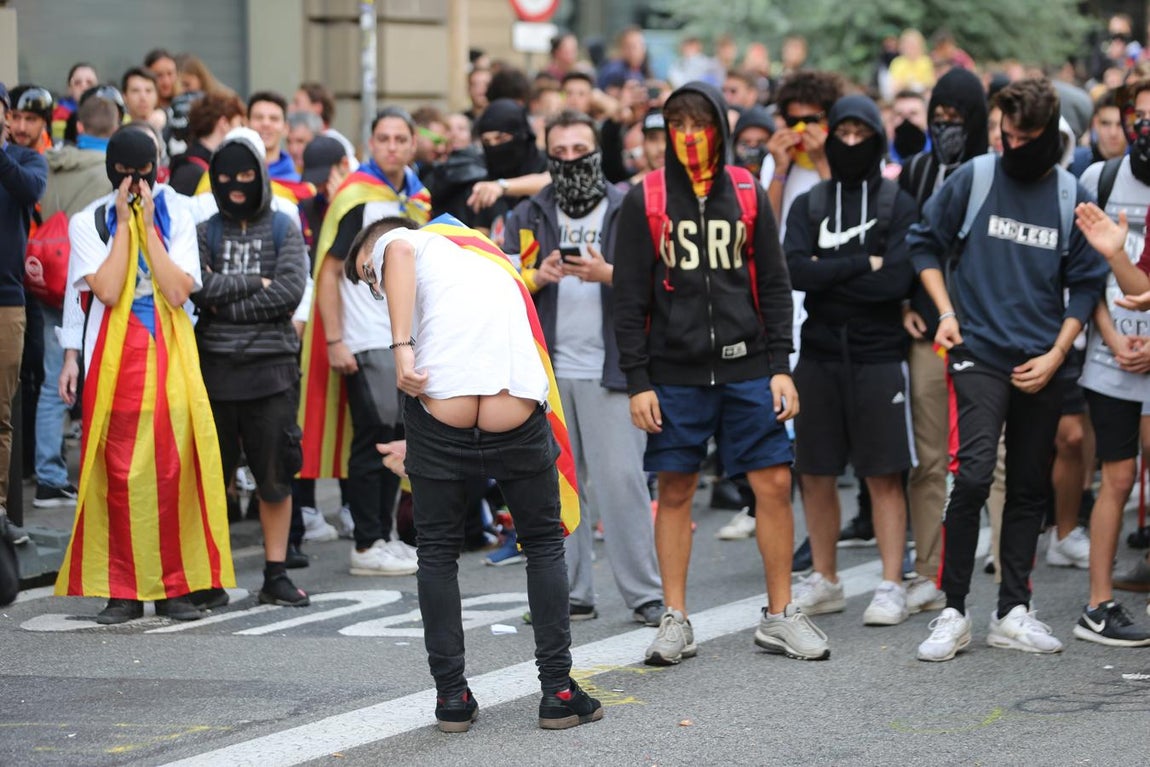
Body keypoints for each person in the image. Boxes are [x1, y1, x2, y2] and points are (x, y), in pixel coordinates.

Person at [350, 215, 601, 732]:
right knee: (542, 544)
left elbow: (395, 254)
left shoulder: (408, 240)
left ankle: (452, 698)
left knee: (438, 550)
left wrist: (401, 348)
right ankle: (556, 689)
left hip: (442, 399)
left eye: (367, 274)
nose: (375, 285)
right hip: (513, 397)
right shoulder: (478, 253)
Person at [613, 82, 829, 664]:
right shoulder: (646, 198)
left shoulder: (746, 190)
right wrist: (638, 381)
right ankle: (675, 618)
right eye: (675, 125)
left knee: (775, 485)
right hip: (674, 375)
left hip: (749, 368)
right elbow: (629, 298)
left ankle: (781, 614)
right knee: (677, 488)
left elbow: (777, 284)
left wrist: (781, 366)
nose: (688, 136)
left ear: (719, 129)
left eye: (698, 123)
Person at [908, 79, 1108, 662]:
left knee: (1027, 485)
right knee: (972, 474)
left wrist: (1057, 353)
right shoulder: (975, 177)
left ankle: (1012, 610)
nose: (1012, 143)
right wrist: (945, 311)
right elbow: (923, 244)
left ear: (1050, 135)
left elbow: (1086, 284)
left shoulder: (1069, 193)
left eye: (1024, 136)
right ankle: (953, 609)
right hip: (977, 347)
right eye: (1006, 132)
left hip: (1042, 357)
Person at [55, 125, 232, 623]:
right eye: (125, 173)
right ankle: (123, 589)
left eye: (143, 171)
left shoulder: (178, 211)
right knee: (116, 472)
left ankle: (176, 587)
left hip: (169, 348)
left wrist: (150, 226)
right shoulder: (87, 221)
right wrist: (125, 226)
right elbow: (107, 291)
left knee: (174, 466)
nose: (135, 182)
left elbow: (178, 290)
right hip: (113, 353)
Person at [505, 109, 664, 626]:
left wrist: (607, 273)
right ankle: (570, 593)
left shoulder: (629, 207)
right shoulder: (528, 213)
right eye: (560, 152)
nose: (570, 160)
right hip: (547, 373)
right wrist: (538, 275)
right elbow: (504, 287)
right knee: (554, 488)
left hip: (614, 369)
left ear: (597, 152)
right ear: (547, 156)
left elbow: (663, 284)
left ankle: (645, 594)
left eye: (579, 150)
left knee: (622, 483)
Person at [785, 95, 917, 625]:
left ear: (877, 138)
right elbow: (796, 271)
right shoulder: (810, 203)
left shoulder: (896, 202)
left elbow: (897, 281)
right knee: (814, 471)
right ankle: (826, 577)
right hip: (817, 354)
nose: (852, 143)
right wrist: (864, 262)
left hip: (879, 353)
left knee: (884, 473)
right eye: (844, 132)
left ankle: (891, 582)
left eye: (863, 134)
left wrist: (832, 270)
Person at [299, 107, 430, 576]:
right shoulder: (357, 197)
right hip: (365, 335)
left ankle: (384, 535)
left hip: (402, 335)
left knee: (398, 437)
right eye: (383, 138)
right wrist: (336, 339)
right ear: (371, 144)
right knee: (374, 439)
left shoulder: (414, 194)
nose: (392, 146)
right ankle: (367, 542)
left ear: (412, 144)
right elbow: (331, 271)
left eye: (400, 138)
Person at [192, 128, 310, 608]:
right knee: (210, 482)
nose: (236, 185)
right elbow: (199, 289)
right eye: (226, 177)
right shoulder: (204, 231)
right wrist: (253, 287)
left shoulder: (284, 226)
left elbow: (288, 292)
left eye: (245, 174)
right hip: (213, 372)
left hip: (273, 374)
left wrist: (227, 299)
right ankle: (209, 576)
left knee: (275, 478)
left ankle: (276, 574)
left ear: (261, 174)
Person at [897, 67, 988, 615]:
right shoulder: (917, 170)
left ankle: (1005, 571)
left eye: (956, 120)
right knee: (928, 457)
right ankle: (929, 568)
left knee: (990, 454)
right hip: (929, 326)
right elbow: (908, 242)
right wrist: (906, 303)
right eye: (938, 119)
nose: (945, 128)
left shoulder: (992, 173)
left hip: (987, 329)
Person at [1067, 82, 1150, 645]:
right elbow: (1084, 280)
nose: (1144, 127)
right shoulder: (1098, 181)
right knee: (1116, 477)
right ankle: (1099, 604)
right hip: (1112, 358)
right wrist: (1113, 339)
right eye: (1138, 117)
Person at [33, 95, 120, 510]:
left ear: (79, 128)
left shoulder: (49, 163)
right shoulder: (111, 173)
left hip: (49, 277)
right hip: (94, 281)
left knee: (55, 378)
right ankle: (94, 471)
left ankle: (48, 475)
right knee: (98, 376)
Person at [468, 99, 549, 243]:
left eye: (501, 138)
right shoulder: (488, 181)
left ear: (521, 134)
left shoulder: (544, 163)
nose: (494, 147)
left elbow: (550, 181)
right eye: (487, 142)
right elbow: (482, 229)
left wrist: (501, 186)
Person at [168, 91, 246, 196]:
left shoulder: (197, 163)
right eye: (240, 124)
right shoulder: (191, 170)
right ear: (224, 123)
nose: (243, 130)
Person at [292, 82, 359, 166]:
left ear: (317, 108)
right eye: (289, 142)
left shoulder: (336, 145)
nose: (291, 108)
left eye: (297, 103)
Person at [1070, 91, 1127, 177]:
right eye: (1105, 123)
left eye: (1120, 124)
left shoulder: (1140, 166)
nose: (1113, 133)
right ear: (1095, 123)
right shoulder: (1074, 162)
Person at [51, 63, 98, 143]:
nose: (84, 87)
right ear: (70, 89)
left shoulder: (111, 113)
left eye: (89, 83)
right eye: (77, 83)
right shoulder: (57, 116)